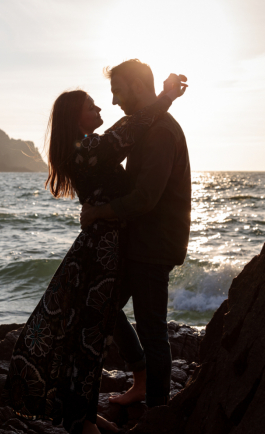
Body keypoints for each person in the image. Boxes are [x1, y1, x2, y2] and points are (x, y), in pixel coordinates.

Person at [2, 77, 187, 434]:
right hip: (105, 249)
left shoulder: (83, 147)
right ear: (76, 118)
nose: (102, 108)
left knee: (92, 324)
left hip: (106, 244)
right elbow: (127, 131)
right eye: (91, 106)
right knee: (88, 335)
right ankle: (87, 420)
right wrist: (165, 96)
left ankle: (90, 412)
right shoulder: (86, 148)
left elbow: (125, 131)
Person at [80, 59, 192, 408]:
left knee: (152, 329)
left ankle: (158, 412)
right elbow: (124, 134)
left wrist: (99, 211)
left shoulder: (160, 132)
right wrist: (166, 97)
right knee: (104, 306)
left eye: (117, 91)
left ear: (137, 86)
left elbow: (145, 197)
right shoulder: (147, 126)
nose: (113, 101)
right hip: (139, 240)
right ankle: (142, 379)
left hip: (153, 244)